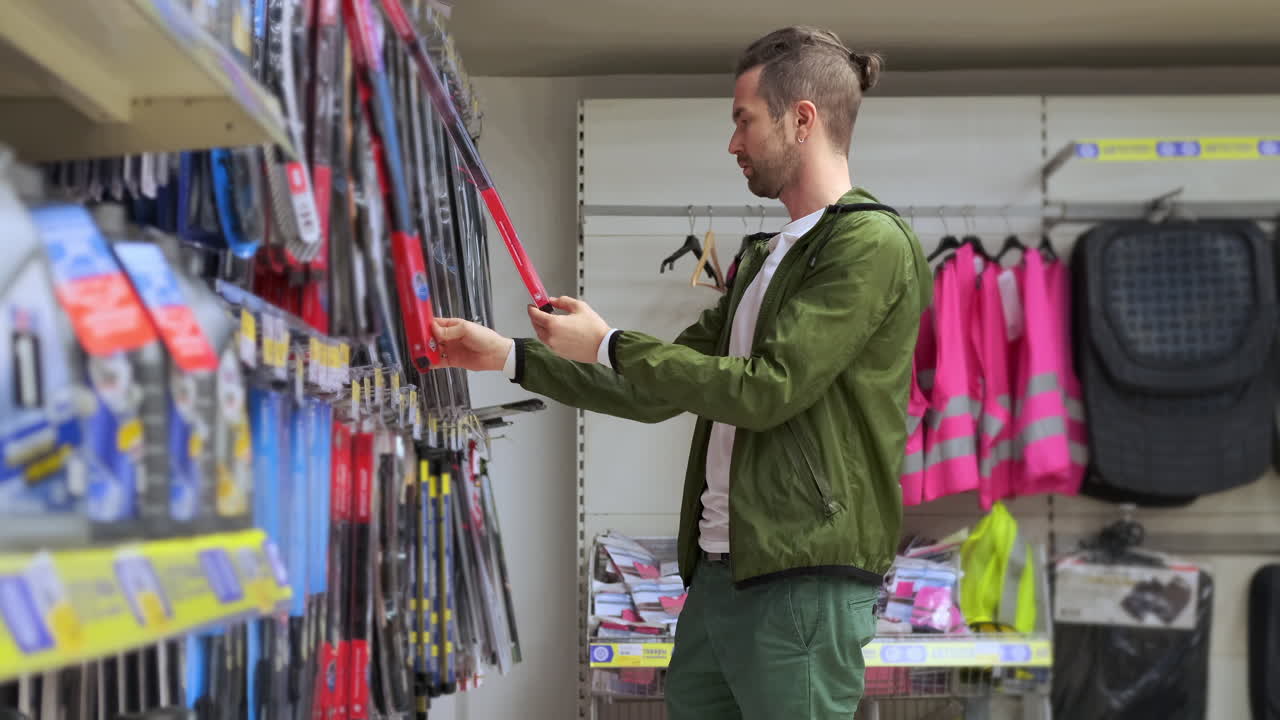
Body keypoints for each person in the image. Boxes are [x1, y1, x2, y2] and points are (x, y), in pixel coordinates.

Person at [432, 25, 933, 720]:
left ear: (803, 119)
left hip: (801, 581)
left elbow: (768, 390)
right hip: (724, 572)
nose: (733, 143)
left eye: (743, 120)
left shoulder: (869, 243)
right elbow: (656, 386)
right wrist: (509, 356)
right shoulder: (767, 258)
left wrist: (609, 340)